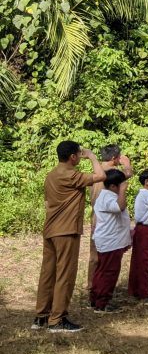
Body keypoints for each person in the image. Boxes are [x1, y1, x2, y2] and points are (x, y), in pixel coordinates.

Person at [34, 141, 105, 332]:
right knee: (65, 274)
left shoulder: (51, 175)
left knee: (48, 273)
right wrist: (91, 156)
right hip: (66, 231)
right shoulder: (72, 175)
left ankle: (41, 316)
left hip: (50, 230)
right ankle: (57, 319)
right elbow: (101, 175)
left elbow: (48, 202)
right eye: (78, 155)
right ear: (73, 157)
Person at [88, 145, 133, 287]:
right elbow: (124, 177)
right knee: (103, 258)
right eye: (119, 157)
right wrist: (127, 165)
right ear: (114, 158)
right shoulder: (109, 173)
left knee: (96, 254)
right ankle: (97, 287)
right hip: (106, 218)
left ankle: (92, 284)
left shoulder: (96, 171)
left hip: (97, 215)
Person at [90, 169, 132, 312]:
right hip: (110, 241)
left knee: (102, 270)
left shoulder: (106, 194)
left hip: (111, 240)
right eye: (121, 184)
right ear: (114, 186)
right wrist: (123, 191)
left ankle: (96, 298)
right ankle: (103, 303)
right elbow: (119, 207)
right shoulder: (108, 197)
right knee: (109, 272)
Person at [128, 169, 148, 303]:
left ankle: (135, 289)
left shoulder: (142, 195)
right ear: (147, 182)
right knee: (144, 261)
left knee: (138, 260)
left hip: (143, 229)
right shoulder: (145, 194)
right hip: (145, 230)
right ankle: (143, 292)